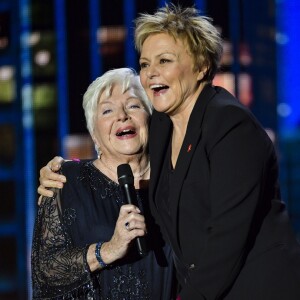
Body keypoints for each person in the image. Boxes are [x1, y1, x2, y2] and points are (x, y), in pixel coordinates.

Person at [38, 4, 300, 300]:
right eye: (146, 64)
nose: (151, 74)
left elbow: (228, 238)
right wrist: (63, 171)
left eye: (164, 61)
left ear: (202, 66)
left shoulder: (230, 125)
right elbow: (120, 156)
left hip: (254, 288)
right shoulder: (164, 126)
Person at [32, 68, 177, 299]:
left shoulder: (176, 182)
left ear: (150, 118)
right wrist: (109, 250)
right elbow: (45, 270)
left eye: (133, 105)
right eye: (107, 110)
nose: (122, 116)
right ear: (95, 133)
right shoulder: (65, 180)